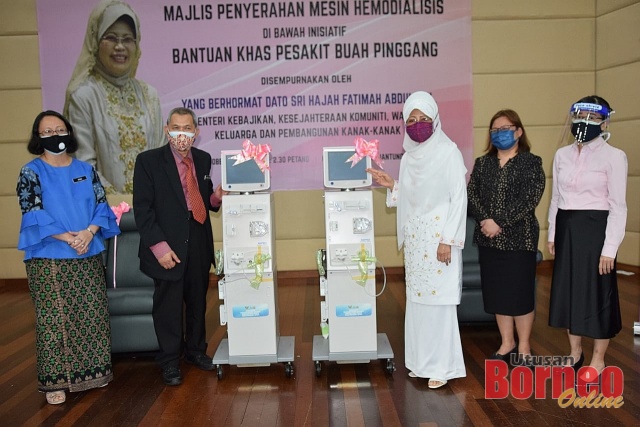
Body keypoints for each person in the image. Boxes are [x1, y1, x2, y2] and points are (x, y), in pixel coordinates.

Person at [16, 111, 120, 405]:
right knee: (54, 320)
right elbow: (32, 211)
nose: (54, 135)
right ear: (38, 137)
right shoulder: (30, 172)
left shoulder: (86, 169)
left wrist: (88, 233)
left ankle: (93, 373)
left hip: (87, 251)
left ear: (69, 133)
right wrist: (68, 237)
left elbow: (101, 205)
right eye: (47, 131)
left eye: (59, 129)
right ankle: (55, 383)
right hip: (48, 256)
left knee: (92, 315)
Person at [367, 91, 467, 389]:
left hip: (440, 241)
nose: (418, 124)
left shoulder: (449, 152)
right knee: (419, 303)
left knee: (439, 304)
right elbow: (415, 198)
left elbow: (458, 199)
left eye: (424, 118)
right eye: (411, 120)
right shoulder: (410, 156)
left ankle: (443, 368)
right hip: (417, 243)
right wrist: (393, 185)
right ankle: (421, 363)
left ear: (435, 120)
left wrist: (448, 239)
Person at [133, 107, 225, 386]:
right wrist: (158, 248)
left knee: (197, 300)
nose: (181, 134)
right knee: (169, 305)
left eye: (187, 129)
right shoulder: (148, 161)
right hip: (167, 242)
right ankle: (170, 361)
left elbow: (205, 200)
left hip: (198, 238)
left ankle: (196, 351)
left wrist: (217, 197)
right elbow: (143, 209)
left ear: (196, 133)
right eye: (176, 128)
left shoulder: (204, 158)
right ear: (166, 129)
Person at [548, 96, 627, 379]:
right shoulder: (562, 155)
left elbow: (618, 206)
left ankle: (598, 359)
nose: (584, 122)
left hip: (596, 230)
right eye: (580, 116)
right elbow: (556, 197)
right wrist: (553, 232)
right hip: (567, 226)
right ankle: (575, 352)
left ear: (604, 122)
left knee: (596, 293)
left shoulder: (614, 156)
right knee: (570, 291)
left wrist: (610, 248)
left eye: (592, 118)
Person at [467, 109, 545, 364]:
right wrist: (485, 221)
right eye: (495, 130)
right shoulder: (483, 163)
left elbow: (530, 199)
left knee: (520, 294)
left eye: (505, 128)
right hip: (489, 240)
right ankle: (507, 342)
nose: (500, 134)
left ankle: (523, 346)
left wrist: (499, 222)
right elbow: (471, 196)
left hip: (519, 239)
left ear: (519, 131)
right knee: (498, 293)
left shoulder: (531, 162)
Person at [64, 0, 164, 194]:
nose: (120, 46)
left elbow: (161, 159)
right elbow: (82, 166)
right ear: (96, 42)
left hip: (151, 216)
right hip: (102, 216)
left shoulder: (149, 95)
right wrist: (120, 207)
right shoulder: (83, 96)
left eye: (127, 39)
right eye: (111, 37)